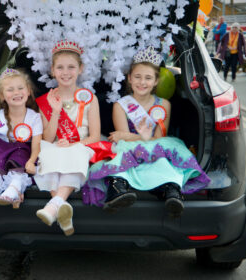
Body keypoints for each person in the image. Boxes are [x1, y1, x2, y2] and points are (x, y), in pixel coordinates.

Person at [82, 46, 210, 217]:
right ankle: (119, 189)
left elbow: (158, 138)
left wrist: (137, 137)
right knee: (121, 155)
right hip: (129, 148)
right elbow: (122, 139)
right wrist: (138, 137)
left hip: (153, 145)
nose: (142, 82)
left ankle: (170, 190)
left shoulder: (164, 105)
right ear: (129, 78)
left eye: (148, 78)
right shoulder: (120, 105)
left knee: (162, 158)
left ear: (156, 81)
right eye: (137, 77)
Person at [34, 40, 101, 236]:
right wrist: (55, 112)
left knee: (75, 154)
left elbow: (95, 136)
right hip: (55, 144)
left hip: (83, 145)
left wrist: (73, 144)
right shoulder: (46, 100)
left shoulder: (90, 98)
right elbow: (47, 137)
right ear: (52, 70)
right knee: (47, 156)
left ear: (80, 69)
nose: (66, 72)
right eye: (60, 67)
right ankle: (61, 209)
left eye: (71, 67)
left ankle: (54, 205)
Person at [0, 68, 42, 210]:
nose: (16, 93)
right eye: (10, 90)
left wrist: (31, 161)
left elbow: (36, 146)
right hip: (0, 153)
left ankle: (13, 190)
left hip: (22, 154)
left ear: (28, 91)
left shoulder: (35, 117)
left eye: (20, 88)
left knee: (20, 155)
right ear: (2, 96)